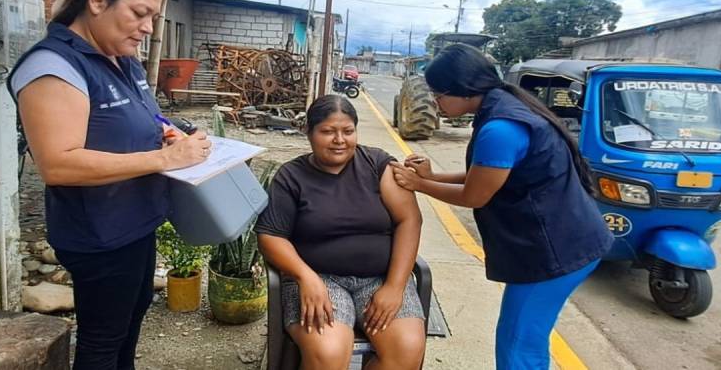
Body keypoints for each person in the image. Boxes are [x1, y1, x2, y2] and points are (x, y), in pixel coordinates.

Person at [7, 0, 211, 369]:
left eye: (154, 17)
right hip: (99, 235)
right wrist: (164, 157)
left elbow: (143, 117)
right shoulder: (54, 67)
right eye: (140, 13)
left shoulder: (123, 60)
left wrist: (168, 132)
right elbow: (58, 164)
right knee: (102, 343)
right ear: (97, 0)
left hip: (136, 224)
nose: (149, 28)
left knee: (128, 328)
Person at [391, 44, 613, 370]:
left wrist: (419, 185)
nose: (436, 103)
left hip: (554, 252)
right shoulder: (506, 106)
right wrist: (434, 176)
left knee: (517, 344)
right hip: (569, 240)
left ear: (465, 90)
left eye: (440, 95)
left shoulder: (499, 127)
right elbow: (490, 174)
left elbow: (475, 196)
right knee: (527, 338)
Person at [256, 95, 426, 370]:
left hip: (381, 278)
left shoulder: (377, 164)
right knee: (329, 352)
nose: (339, 140)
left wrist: (395, 287)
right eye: (327, 131)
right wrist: (306, 277)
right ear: (308, 132)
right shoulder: (291, 176)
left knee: (406, 350)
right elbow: (271, 235)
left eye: (348, 131)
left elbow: (410, 220)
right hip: (318, 279)